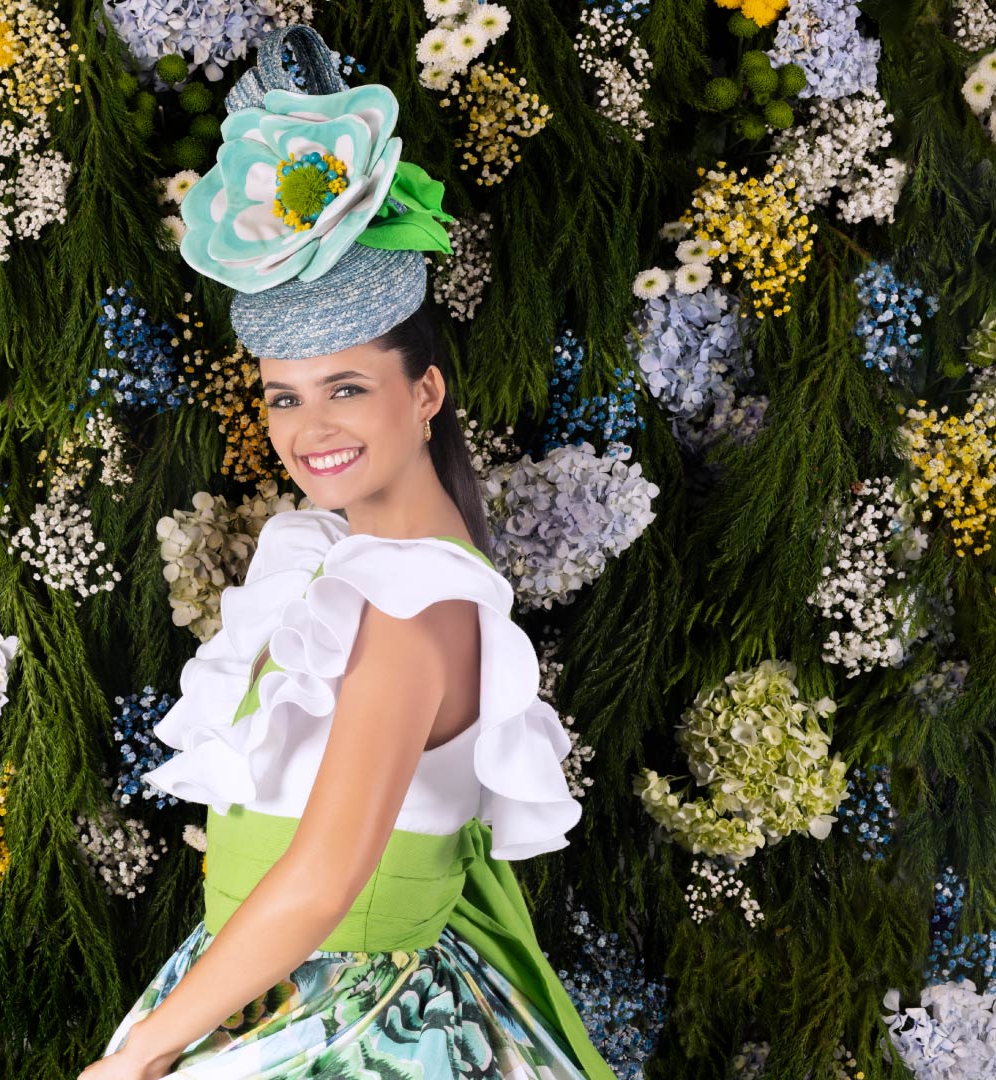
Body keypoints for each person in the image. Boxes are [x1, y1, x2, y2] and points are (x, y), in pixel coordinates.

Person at [80, 25, 618, 1080]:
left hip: (354, 1020)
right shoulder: (351, 561)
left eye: (347, 388)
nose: (308, 427)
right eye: (285, 394)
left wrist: (141, 1054)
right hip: (280, 984)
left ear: (426, 392)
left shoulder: (411, 605)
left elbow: (325, 880)